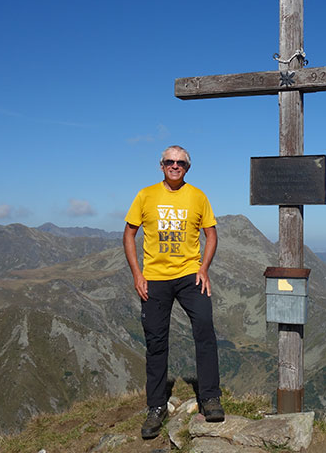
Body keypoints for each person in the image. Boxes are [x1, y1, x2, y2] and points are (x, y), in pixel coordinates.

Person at [123, 145, 225, 439]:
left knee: (205, 330)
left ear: (187, 168)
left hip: (190, 276)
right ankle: (156, 407)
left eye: (180, 162)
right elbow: (129, 233)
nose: (175, 165)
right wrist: (137, 273)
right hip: (154, 278)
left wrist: (203, 268)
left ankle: (210, 398)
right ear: (161, 165)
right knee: (156, 342)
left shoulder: (198, 196)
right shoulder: (145, 195)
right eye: (170, 161)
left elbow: (211, 234)